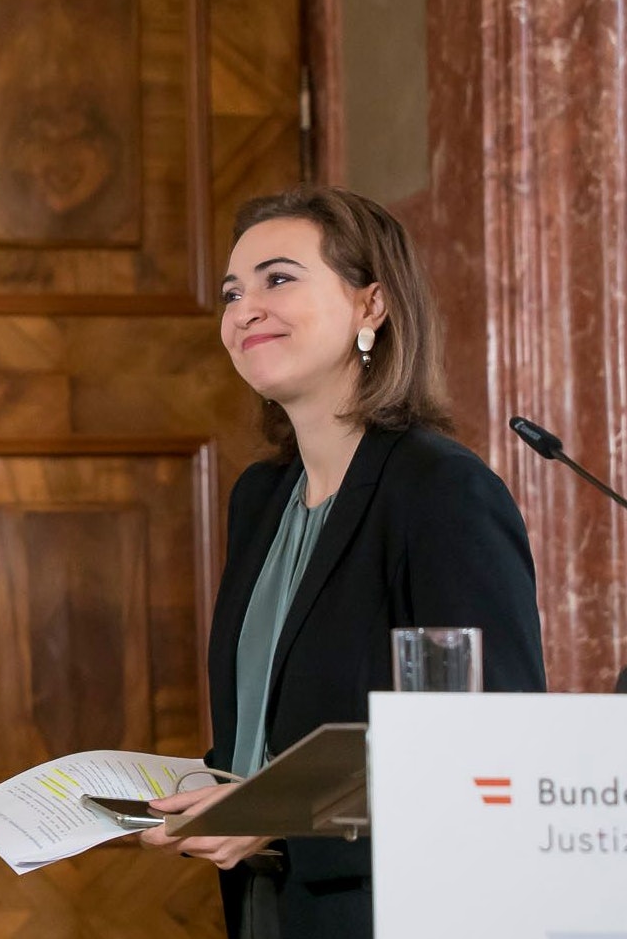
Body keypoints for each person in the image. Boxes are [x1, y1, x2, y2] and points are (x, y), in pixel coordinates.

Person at [138, 186, 546, 938]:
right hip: (268, 906)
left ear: (372, 306)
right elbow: (271, 731)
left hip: (389, 910)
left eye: (279, 278)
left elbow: (495, 749)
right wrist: (195, 792)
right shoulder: (261, 498)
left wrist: (278, 816)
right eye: (233, 292)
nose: (244, 309)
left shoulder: (440, 491)